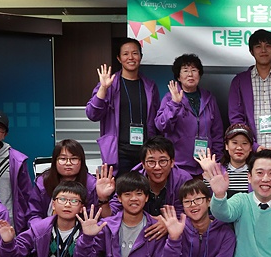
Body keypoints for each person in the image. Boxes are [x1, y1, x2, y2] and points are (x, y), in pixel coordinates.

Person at [86, 38, 160, 174]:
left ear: (141, 57)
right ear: (119, 58)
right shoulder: (110, 84)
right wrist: (103, 88)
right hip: (119, 152)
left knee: (143, 192)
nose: (130, 57)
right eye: (125, 54)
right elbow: (92, 114)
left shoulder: (150, 86)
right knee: (121, 192)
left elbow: (156, 120)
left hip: (145, 151)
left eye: (135, 53)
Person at [155, 54, 224, 177]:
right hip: (178, 165)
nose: (190, 74)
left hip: (205, 166)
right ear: (178, 76)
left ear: (200, 74)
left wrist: (216, 159)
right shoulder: (170, 98)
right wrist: (174, 104)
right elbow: (161, 126)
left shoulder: (209, 98)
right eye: (185, 71)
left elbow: (217, 132)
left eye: (194, 70)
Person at [106, 136, 193, 221]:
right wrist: (103, 199)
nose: (157, 167)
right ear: (143, 164)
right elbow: (111, 214)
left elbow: (191, 213)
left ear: (172, 162)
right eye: (151, 162)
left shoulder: (183, 180)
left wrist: (167, 223)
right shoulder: (132, 180)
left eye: (163, 161)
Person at [28, 139, 112, 223]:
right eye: (63, 159)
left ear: (81, 161)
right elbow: (33, 215)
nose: (68, 163)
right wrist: (43, 230)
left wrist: (103, 198)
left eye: (74, 158)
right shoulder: (43, 183)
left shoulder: (92, 185)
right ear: (54, 161)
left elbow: (105, 220)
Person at [201, 123, 255, 197]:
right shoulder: (216, 171)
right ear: (226, 145)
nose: (239, 147)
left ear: (251, 148)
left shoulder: (256, 172)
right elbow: (208, 201)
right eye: (234, 143)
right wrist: (210, 172)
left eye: (244, 143)